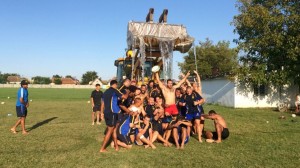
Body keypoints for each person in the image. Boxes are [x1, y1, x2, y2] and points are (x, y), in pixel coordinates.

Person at [100, 80, 126, 152]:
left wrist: (101, 113)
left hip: (106, 113)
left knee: (114, 130)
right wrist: (127, 92)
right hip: (112, 113)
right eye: (116, 85)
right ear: (115, 84)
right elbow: (124, 97)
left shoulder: (105, 92)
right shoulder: (115, 90)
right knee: (110, 130)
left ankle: (116, 146)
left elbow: (102, 104)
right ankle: (102, 148)